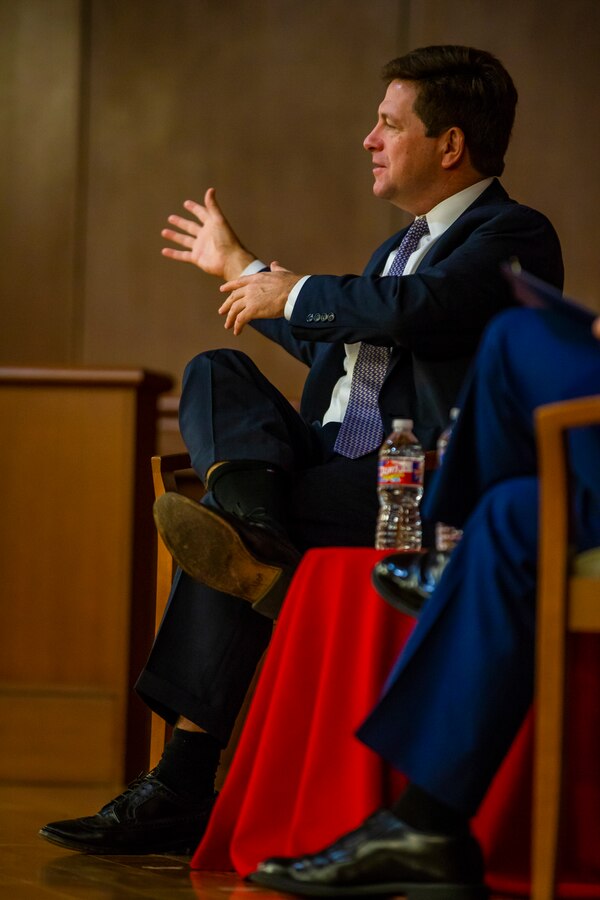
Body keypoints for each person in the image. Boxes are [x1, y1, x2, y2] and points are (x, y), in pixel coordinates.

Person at [39, 45, 563, 856]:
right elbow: (348, 347)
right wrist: (242, 271)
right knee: (216, 369)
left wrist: (290, 286)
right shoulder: (394, 251)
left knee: (225, 523)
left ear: (450, 145)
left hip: (411, 479)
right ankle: (256, 522)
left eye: (387, 123)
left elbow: (421, 310)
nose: (369, 139)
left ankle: (183, 773)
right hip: (330, 463)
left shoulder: (511, 233)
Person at [247, 305, 600, 898]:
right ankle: (426, 827)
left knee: (516, 333)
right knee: (509, 512)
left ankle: (444, 546)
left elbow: (418, 306)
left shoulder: (503, 229)